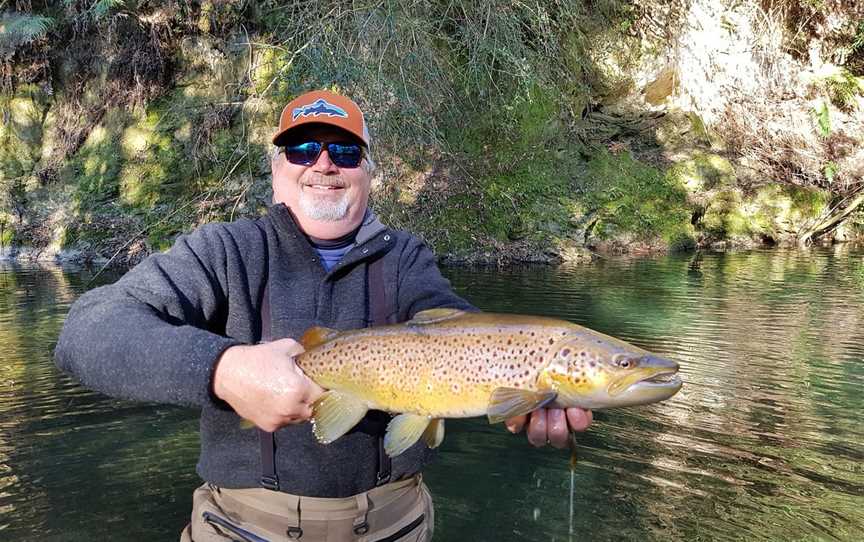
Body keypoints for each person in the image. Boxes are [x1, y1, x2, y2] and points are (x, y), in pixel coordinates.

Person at [54, 89, 593, 541]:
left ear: (368, 173)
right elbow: (87, 330)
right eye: (302, 150)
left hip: (396, 526)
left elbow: (460, 326)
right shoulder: (223, 251)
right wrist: (223, 369)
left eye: (345, 152)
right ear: (276, 170)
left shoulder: (406, 259)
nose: (324, 165)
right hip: (242, 528)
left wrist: (525, 387)